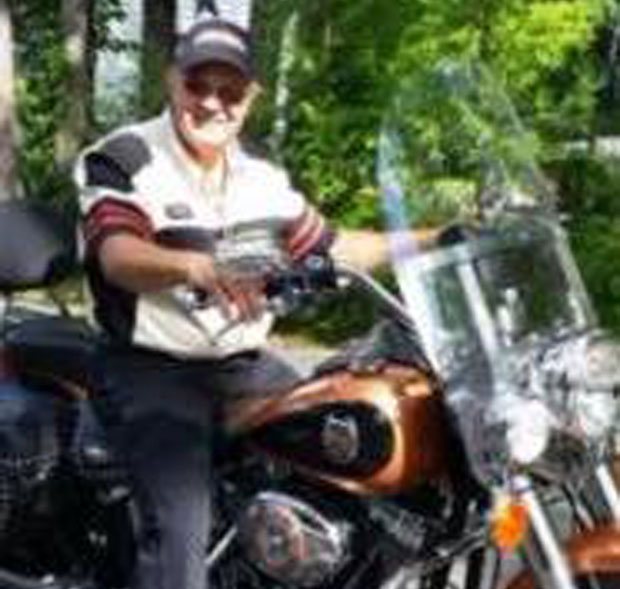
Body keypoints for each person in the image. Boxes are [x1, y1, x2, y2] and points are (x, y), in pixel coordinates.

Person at [74, 14, 431, 589]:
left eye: (230, 90)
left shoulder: (261, 174)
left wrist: (435, 240)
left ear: (252, 97)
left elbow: (335, 246)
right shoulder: (125, 157)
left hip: (243, 365)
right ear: (171, 80)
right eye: (198, 84)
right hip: (150, 368)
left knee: (340, 453)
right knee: (180, 531)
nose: (213, 103)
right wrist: (193, 265)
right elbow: (117, 254)